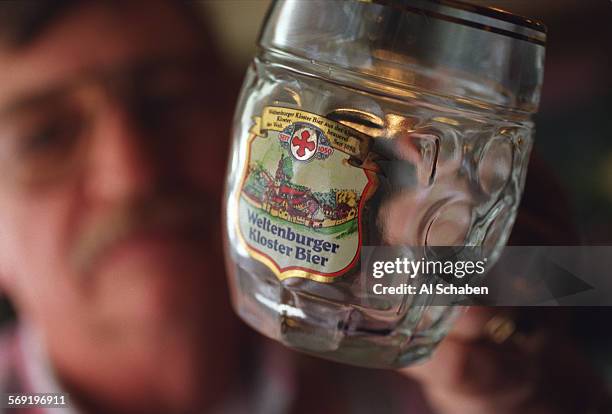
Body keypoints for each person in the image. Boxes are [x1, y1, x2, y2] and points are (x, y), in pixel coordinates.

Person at [0, 1, 609, 414]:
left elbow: (585, 281)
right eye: (44, 138)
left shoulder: (404, 339)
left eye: (169, 100)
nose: (132, 174)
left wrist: (527, 373)